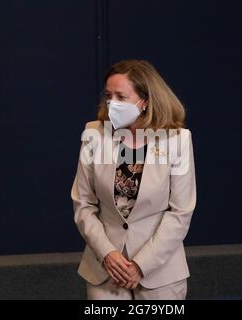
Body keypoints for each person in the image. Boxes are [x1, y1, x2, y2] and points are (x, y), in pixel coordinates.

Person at [71, 60, 197, 300]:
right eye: (108, 96)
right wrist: (107, 253)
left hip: (160, 273)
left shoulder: (177, 140)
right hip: (105, 270)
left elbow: (181, 212)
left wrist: (141, 265)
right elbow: (83, 204)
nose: (112, 104)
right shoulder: (93, 135)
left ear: (145, 101)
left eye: (121, 97)